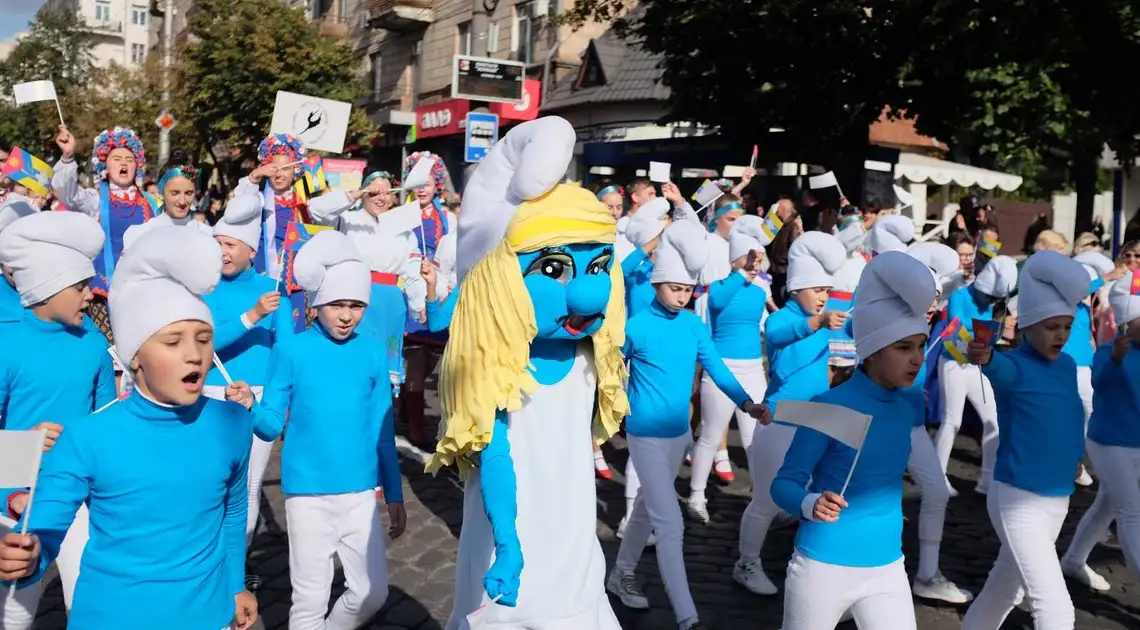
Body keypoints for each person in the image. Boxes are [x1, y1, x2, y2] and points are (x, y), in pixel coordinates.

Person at [0, 227, 258, 630]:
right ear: (135, 358)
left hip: (208, 615)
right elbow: (46, 524)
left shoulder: (233, 422)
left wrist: (234, 584)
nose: (193, 354)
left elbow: (232, 508)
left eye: (204, 339)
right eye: (173, 341)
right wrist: (28, 553)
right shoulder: (86, 437)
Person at [429, 117, 626, 628]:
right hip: (509, 551)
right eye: (554, 269)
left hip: (575, 549)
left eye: (600, 266)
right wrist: (509, 546)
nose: (587, 293)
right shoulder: (497, 365)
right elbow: (493, 455)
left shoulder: (590, 357)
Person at [608, 220, 769, 630]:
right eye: (674, 288)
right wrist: (607, 415)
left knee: (647, 507)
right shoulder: (637, 325)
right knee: (670, 522)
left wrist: (747, 404)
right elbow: (608, 373)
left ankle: (621, 571)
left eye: (687, 290)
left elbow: (716, 367)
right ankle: (687, 615)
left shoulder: (694, 326)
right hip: (644, 437)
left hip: (679, 436)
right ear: (658, 284)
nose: (681, 297)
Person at [246, 230, 404, 629]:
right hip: (308, 496)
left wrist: (395, 493)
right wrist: (250, 406)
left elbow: (383, 429)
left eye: (356, 305)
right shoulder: (292, 350)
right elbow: (268, 427)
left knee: (372, 591)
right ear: (316, 305)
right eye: (337, 305)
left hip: (359, 494)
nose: (347, 315)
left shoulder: (370, 350)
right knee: (308, 601)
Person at [774, 251, 936, 629]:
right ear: (874, 350)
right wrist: (811, 502)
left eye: (919, 345)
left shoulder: (907, 406)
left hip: (887, 567)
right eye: (903, 348)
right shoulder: (830, 406)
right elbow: (783, 484)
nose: (916, 359)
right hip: (823, 567)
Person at [961, 250, 1089, 630]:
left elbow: (1063, 416)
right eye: (1052, 326)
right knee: (1055, 609)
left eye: (1067, 326)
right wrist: (981, 354)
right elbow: (991, 364)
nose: (1061, 336)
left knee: (1006, 588)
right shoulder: (1013, 366)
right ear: (1026, 326)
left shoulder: (1066, 365)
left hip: (1058, 499)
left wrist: (1073, 458)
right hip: (1019, 500)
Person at [0, 212, 116, 627]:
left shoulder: (95, 344)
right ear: (48, 290)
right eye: (81, 286)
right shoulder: (6, 345)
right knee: (15, 610)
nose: (91, 295)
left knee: (87, 600)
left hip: (80, 494)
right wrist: (22, 450)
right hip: (15, 502)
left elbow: (105, 423)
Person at [736, 231, 848, 596]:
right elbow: (780, 335)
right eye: (816, 289)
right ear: (796, 289)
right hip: (780, 418)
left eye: (826, 290)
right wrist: (819, 321)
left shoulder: (828, 318)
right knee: (766, 500)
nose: (822, 297)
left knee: (821, 492)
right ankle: (746, 563)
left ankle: (815, 564)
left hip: (817, 419)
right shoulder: (782, 319)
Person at [201, 206, 296, 591]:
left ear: (252, 250)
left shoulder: (273, 290)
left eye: (231, 244)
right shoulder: (202, 287)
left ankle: (234, 569)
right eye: (218, 243)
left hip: (256, 399)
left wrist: (276, 403)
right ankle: (205, 561)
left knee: (248, 485)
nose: (223, 251)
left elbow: (286, 354)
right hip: (207, 393)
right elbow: (204, 341)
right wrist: (251, 316)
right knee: (208, 482)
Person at [307, 169, 425, 415]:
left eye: (387, 192)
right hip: (354, 297)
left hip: (390, 305)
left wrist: (418, 304)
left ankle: (378, 422)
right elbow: (315, 210)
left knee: (382, 368)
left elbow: (413, 269)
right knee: (351, 362)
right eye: (374, 191)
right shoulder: (347, 219)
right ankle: (342, 413)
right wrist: (355, 194)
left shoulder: (404, 228)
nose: (380, 197)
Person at [687, 215, 773, 522]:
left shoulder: (761, 289)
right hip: (722, 369)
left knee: (756, 438)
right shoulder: (721, 287)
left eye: (759, 256)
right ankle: (697, 496)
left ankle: (765, 497)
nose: (757, 261)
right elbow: (718, 302)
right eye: (751, 256)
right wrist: (742, 272)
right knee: (710, 435)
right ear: (736, 258)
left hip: (753, 369)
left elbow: (765, 324)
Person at [902, 242, 975, 604]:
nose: (936, 305)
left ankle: (928, 575)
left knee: (935, 493)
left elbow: (943, 290)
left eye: (937, 299)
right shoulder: (894, 320)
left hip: (912, 426)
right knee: (860, 501)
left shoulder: (925, 318)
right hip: (882, 425)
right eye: (930, 298)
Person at [1061, 273, 1140, 591]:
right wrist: (1118, 361)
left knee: (1107, 503)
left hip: (1134, 442)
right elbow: (1100, 384)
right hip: (1109, 443)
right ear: (1128, 324)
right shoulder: (1109, 352)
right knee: (1131, 512)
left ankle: (1074, 559)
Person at [50, 125, 160, 342]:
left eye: (129, 159)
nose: (123, 163)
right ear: (105, 165)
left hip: (143, 289)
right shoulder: (94, 200)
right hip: (104, 292)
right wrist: (68, 156)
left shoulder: (149, 202)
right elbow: (68, 194)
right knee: (109, 350)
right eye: (117, 158)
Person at [226, 133, 342, 333]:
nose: (279, 174)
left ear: (296, 170)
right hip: (263, 280)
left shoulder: (306, 205)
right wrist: (254, 176)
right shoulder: (257, 200)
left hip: (296, 286)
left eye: (286, 168)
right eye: (274, 168)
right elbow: (235, 208)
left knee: (291, 337)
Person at [933, 255, 1018, 496]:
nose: (991, 302)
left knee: (992, 421)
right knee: (952, 422)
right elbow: (955, 327)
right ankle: (937, 477)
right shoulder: (960, 295)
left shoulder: (996, 302)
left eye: (995, 298)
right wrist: (988, 328)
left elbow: (997, 327)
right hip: (954, 362)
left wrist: (995, 326)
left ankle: (988, 480)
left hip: (977, 366)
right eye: (990, 297)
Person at [400, 152, 457, 447]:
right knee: (416, 365)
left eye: (427, 183)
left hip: (441, 294)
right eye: (416, 183)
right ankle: (417, 427)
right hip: (412, 293)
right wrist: (418, 300)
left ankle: (409, 409)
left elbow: (450, 262)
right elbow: (405, 261)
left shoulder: (448, 218)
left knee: (439, 363)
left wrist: (442, 295)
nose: (422, 189)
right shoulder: (401, 216)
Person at [122, 150, 214, 247]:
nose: (182, 201)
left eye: (188, 193)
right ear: (161, 192)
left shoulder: (208, 235)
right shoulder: (141, 234)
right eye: (175, 193)